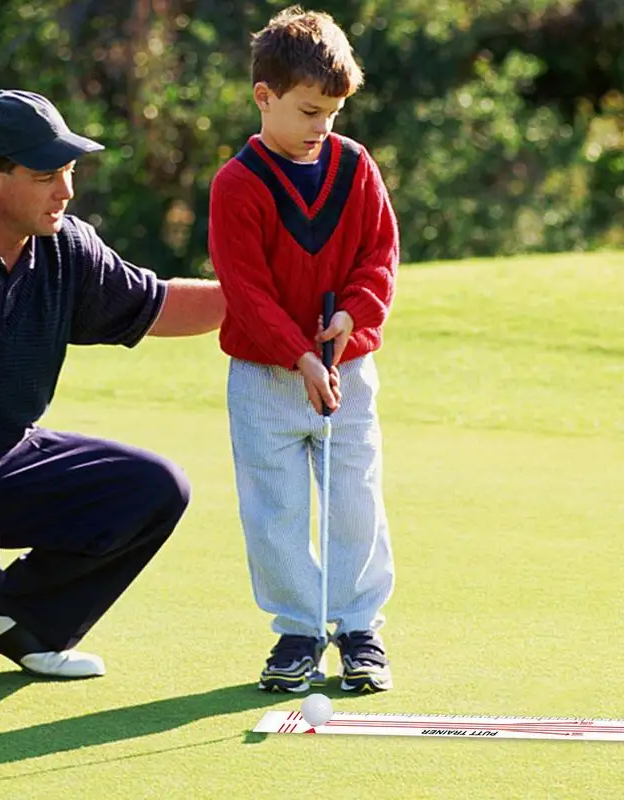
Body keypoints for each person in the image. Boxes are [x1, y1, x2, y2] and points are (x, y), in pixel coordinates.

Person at [0, 89, 225, 679]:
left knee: (152, 488)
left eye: (69, 170)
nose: (66, 190)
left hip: (3, 456)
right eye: (45, 175)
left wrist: (269, 304)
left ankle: (17, 618)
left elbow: (156, 305)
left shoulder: (65, 248)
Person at [208, 6, 398, 693]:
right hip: (264, 378)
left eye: (334, 113)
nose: (325, 126)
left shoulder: (354, 166)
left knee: (355, 499)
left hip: (347, 368)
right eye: (312, 110)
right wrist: (299, 355)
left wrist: (353, 317)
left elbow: (380, 254)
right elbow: (248, 291)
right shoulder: (237, 184)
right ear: (266, 97)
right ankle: (296, 631)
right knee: (275, 507)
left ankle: (358, 630)